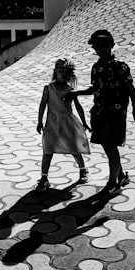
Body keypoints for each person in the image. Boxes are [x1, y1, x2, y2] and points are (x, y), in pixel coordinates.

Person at [70, 29, 135, 192]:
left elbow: (130, 87)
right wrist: (77, 93)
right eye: (97, 46)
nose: (101, 49)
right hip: (99, 112)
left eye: (105, 45)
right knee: (107, 146)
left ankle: (112, 183)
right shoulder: (96, 68)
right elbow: (95, 88)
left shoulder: (121, 66)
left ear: (112, 45)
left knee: (110, 145)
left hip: (115, 113)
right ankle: (121, 175)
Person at [35, 58, 90, 189]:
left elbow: (78, 106)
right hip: (52, 123)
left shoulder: (70, 89)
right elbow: (43, 104)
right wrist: (39, 121)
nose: (63, 74)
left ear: (70, 74)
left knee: (74, 148)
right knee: (47, 150)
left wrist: (84, 123)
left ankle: (83, 170)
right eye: (60, 71)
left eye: (66, 71)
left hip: (67, 122)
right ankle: (44, 178)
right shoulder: (49, 88)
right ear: (55, 72)